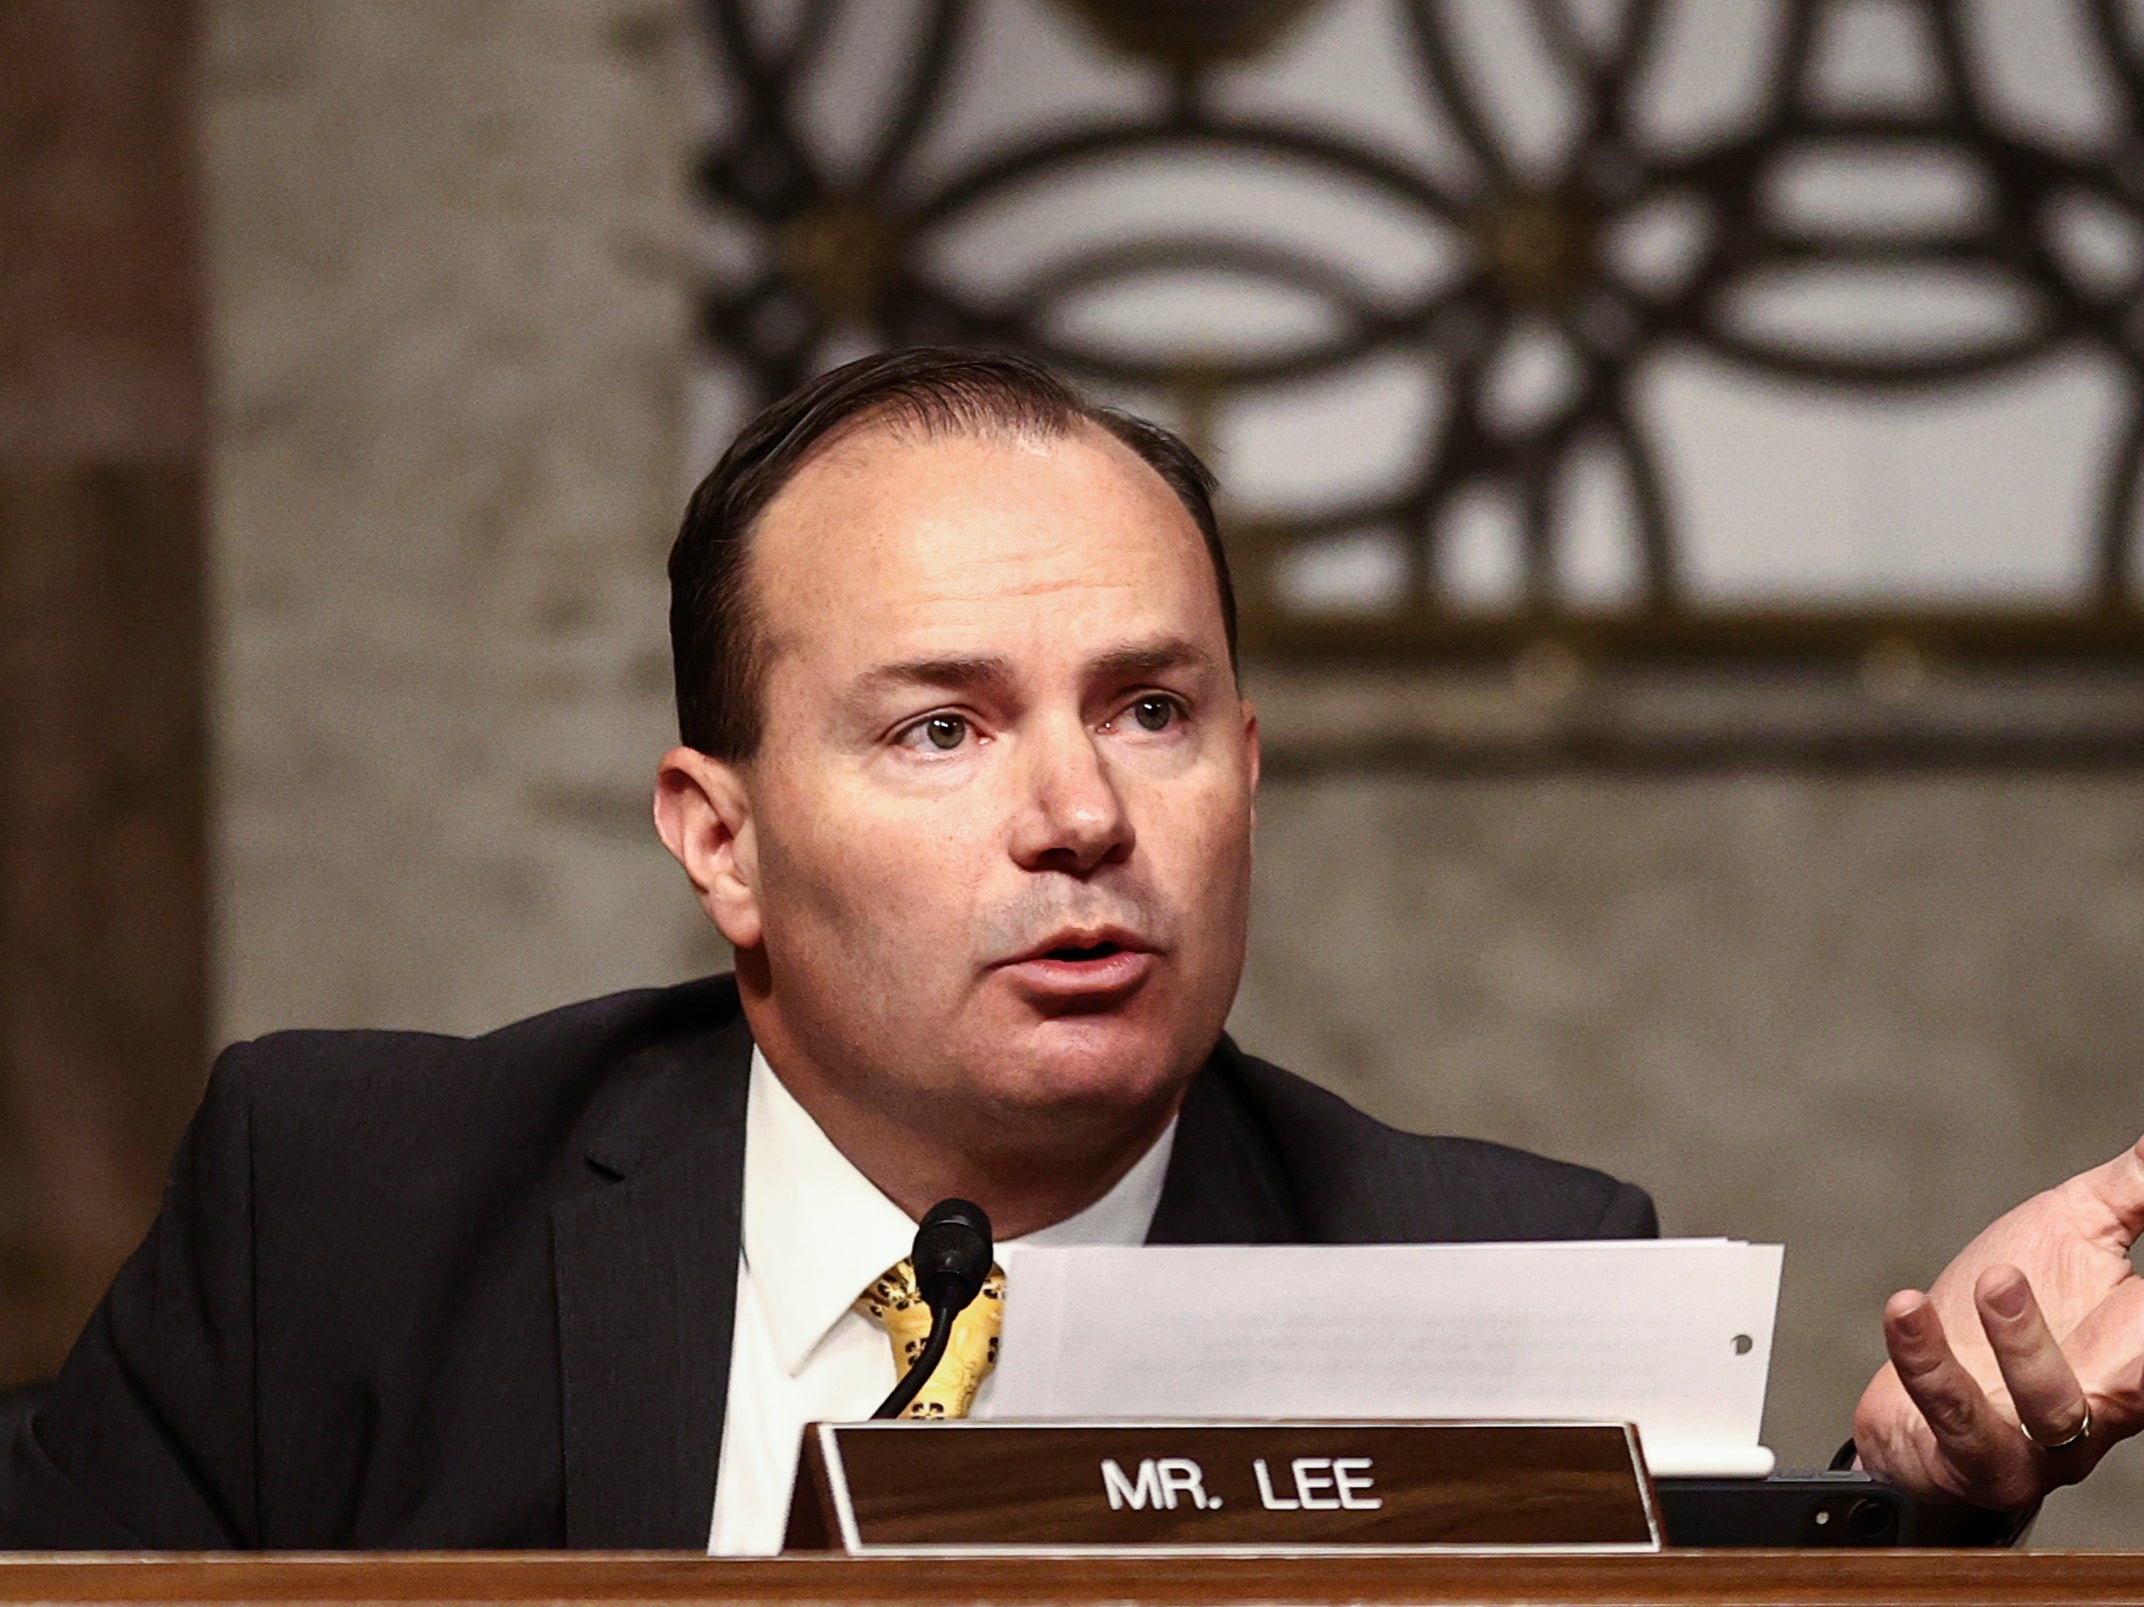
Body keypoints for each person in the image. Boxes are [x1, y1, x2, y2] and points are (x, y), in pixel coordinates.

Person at [0, 349, 2133, 1551]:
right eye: (940, 726)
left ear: (1246, 766)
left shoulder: (1476, 1271)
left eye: (1150, 708)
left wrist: (1910, 1503)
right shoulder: (356, 1206)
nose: (1080, 816)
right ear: (717, 841)